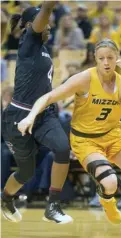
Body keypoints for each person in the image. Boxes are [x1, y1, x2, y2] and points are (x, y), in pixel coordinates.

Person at [17, 39, 121, 234]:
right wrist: (30, 116)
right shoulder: (84, 79)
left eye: (110, 58)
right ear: (96, 60)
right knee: (110, 182)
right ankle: (106, 198)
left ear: (117, 59)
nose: (106, 62)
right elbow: (48, 97)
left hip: (114, 136)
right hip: (86, 141)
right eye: (101, 58)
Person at [1, 2, 73, 224]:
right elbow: (47, 9)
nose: (49, 27)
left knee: (62, 149)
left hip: (44, 114)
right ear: (32, 25)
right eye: (46, 24)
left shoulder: (42, 49)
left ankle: (52, 206)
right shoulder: (28, 42)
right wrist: (49, 6)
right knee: (26, 173)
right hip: (18, 116)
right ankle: (6, 199)